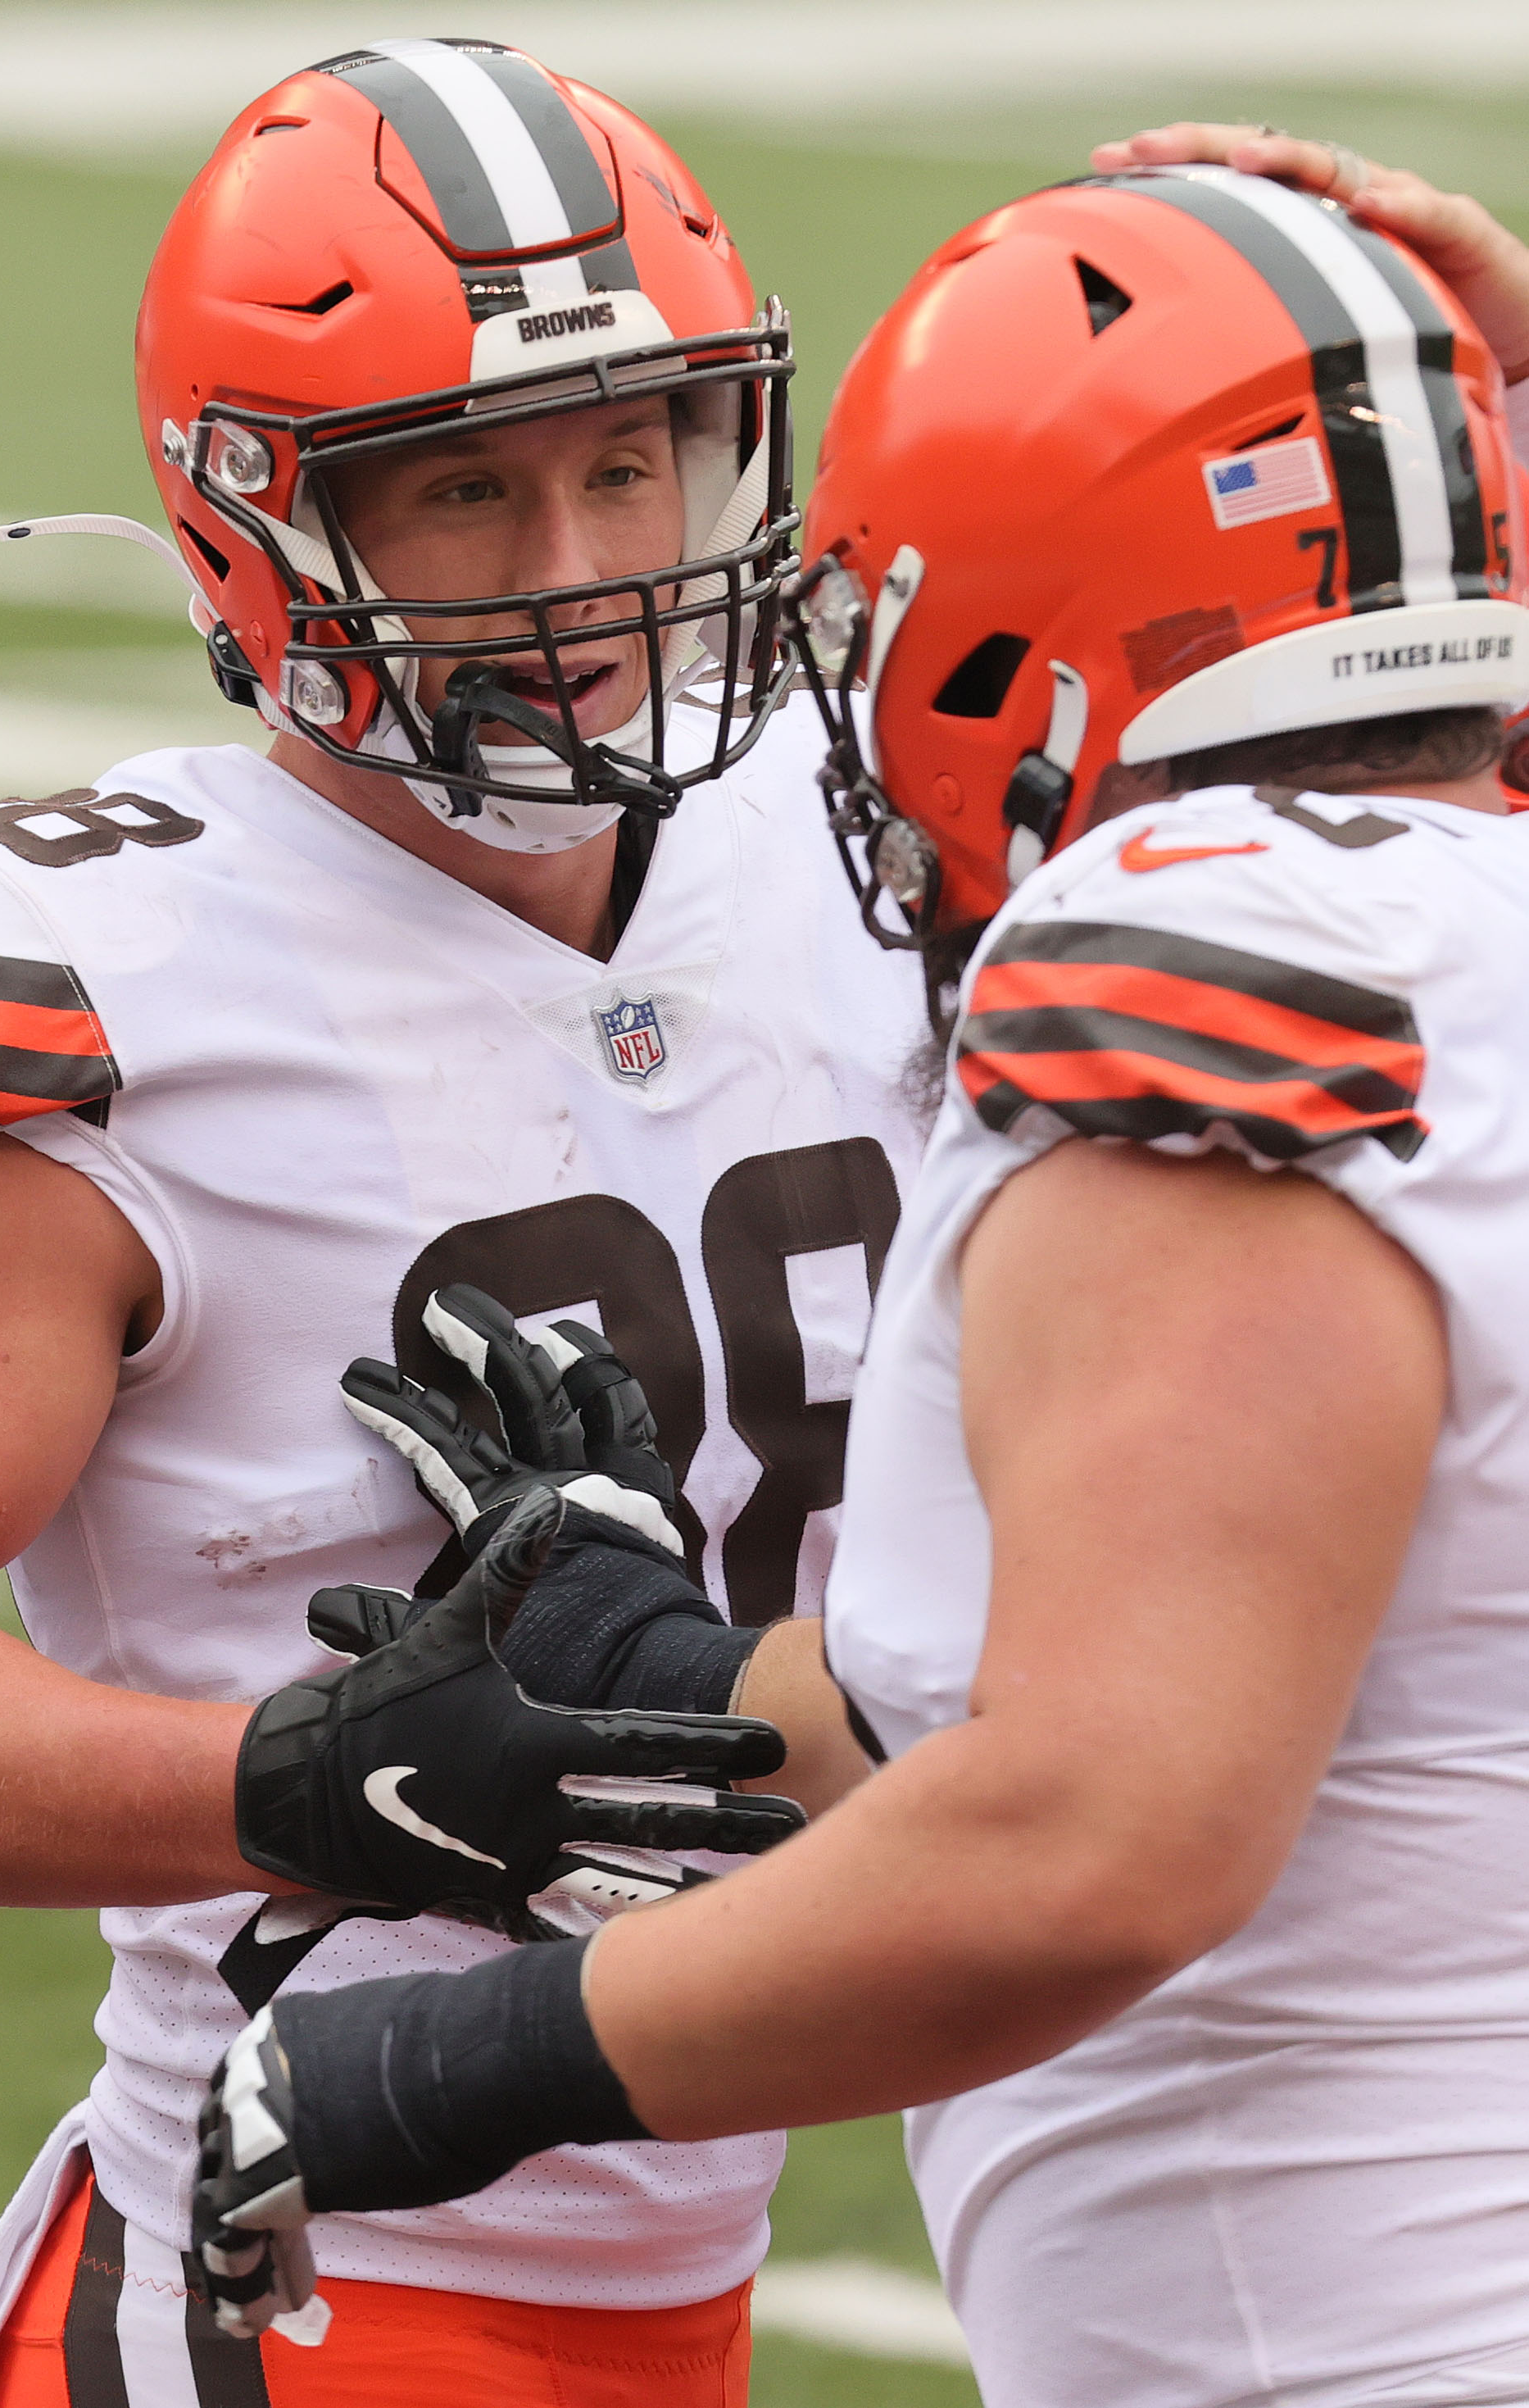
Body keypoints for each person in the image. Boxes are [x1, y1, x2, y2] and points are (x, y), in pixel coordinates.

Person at [190, 146, 1529, 2408]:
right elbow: (1301, 1648)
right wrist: (678, 1677)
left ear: (1017, 633)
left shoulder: (1220, 960)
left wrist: (442, 2066)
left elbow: (1101, 1837)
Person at [0, 38, 907, 2408]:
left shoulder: (872, 841)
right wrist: (307, 1772)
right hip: (296, 2269)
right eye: (462, 489)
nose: (579, 576)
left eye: (627, 460)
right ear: (265, 526)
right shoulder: (125, 979)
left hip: (696, 2232)